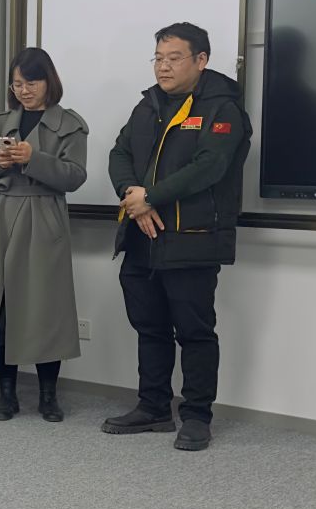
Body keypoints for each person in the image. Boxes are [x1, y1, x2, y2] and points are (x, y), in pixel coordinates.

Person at [105, 22, 253, 452]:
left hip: (193, 238)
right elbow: (119, 153)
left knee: (195, 331)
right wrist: (132, 196)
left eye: (173, 58)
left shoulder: (222, 109)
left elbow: (209, 167)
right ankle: (153, 407)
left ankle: (196, 416)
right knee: (149, 327)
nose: (163, 67)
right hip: (142, 237)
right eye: (158, 58)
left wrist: (149, 197)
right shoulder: (148, 104)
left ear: (201, 60)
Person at [0, 48, 88, 423]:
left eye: (31, 82)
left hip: (43, 219)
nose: (24, 90)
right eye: (17, 83)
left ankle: (48, 397)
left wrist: (33, 159)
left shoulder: (70, 125)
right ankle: (6, 394)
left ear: (49, 82)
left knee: (47, 310)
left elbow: (75, 176)